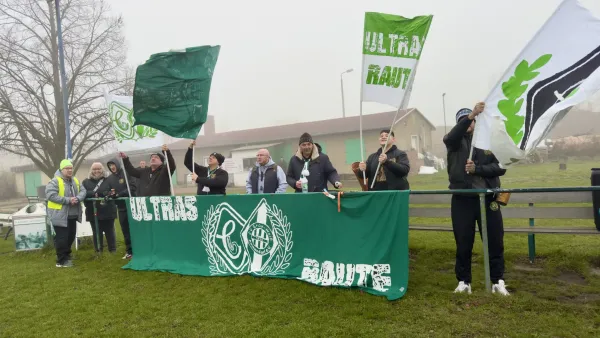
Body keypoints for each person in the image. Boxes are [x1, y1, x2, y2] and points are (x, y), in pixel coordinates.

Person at [443, 102, 509, 296]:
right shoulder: (453, 142)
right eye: (464, 120)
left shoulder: (488, 142)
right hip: (463, 198)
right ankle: (464, 281)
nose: (469, 123)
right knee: (463, 241)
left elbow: (501, 167)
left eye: (472, 120)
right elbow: (453, 135)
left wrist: (477, 169)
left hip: (489, 199)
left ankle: (497, 280)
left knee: (495, 240)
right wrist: (470, 115)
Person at [45, 159, 86, 268]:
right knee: (62, 238)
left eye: (71, 168)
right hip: (59, 215)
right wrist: (68, 200)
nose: (69, 170)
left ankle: (67, 256)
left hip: (72, 215)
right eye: (67, 168)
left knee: (71, 236)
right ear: (61, 169)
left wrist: (77, 198)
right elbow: (51, 195)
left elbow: (83, 191)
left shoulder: (75, 181)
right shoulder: (54, 181)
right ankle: (61, 261)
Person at [105, 157, 136, 259]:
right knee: (125, 230)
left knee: (136, 228)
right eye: (110, 166)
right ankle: (129, 251)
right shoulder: (109, 178)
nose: (112, 167)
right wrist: (110, 194)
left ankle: (140, 249)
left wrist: (119, 194)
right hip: (121, 207)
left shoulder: (127, 173)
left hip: (132, 205)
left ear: (117, 164)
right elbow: (108, 191)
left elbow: (132, 187)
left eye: (113, 164)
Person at [82, 162, 116, 253]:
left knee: (110, 232)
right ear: (91, 170)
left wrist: (103, 193)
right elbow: (82, 193)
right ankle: (98, 251)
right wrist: (94, 193)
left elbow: (112, 192)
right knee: (96, 232)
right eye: (94, 169)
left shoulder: (109, 180)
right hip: (92, 211)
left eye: (99, 169)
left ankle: (112, 251)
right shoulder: (86, 182)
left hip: (107, 210)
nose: (96, 171)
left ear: (102, 169)